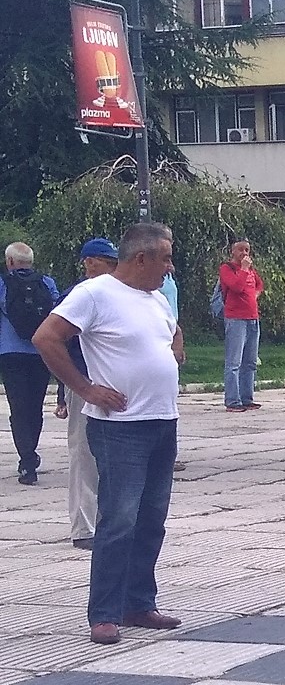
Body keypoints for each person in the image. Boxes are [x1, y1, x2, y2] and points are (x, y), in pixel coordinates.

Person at [33, 222, 187, 646]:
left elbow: (170, 331)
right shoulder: (96, 293)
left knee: (151, 520)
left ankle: (139, 602)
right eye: (166, 258)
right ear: (142, 258)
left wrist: (175, 347)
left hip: (162, 420)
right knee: (118, 519)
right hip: (119, 428)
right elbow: (46, 338)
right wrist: (85, 388)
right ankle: (104, 612)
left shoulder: (156, 298)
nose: (170, 267)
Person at [53, 239, 121, 549]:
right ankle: (84, 527)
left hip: (114, 381)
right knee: (83, 453)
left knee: (112, 457)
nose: (109, 267)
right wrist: (68, 389)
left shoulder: (119, 294)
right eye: (104, 261)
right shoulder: (78, 296)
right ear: (90, 264)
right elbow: (56, 343)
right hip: (85, 381)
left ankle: (109, 521)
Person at [0, 242, 62, 485]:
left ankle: (27, 459)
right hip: (40, 352)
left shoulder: (3, 283)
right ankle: (30, 452)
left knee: (18, 407)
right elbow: (57, 311)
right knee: (35, 406)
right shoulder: (46, 283)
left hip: (10, 352)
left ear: (11, 262)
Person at [219, 238, 263, 412]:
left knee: (250, 361)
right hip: (236, 318)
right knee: (234, 361)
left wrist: (254, 296)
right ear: (233, 252)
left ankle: (247, 397)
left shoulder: (251, 270)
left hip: (252, 318)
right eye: (241, 250)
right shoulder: (227, 269)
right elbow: (236, 287)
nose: (244, 254)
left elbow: (260, 285)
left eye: (247, 250)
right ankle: (232, 400)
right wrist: (243, 269)